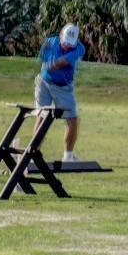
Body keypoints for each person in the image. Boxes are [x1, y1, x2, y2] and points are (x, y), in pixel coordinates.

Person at [36, 22, 86, 165]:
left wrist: (54, 64)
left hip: (63, 87)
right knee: (41, 118)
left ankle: (68, 156)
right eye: (65, 43)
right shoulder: (49, 43)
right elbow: (42, 59)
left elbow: (62, 62)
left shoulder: (79, 49)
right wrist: (47, 64)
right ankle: (34, 154)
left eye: (70, 44)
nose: (67, 46)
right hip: (43, 82)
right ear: (60, 36)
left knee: (72, 120)